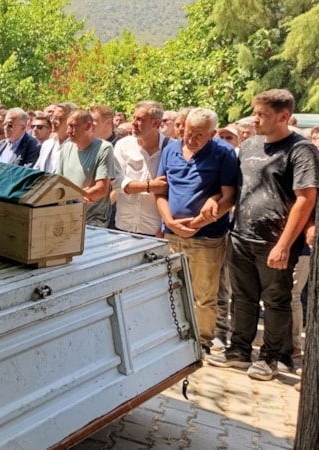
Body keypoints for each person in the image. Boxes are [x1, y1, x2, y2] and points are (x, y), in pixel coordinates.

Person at [206, 89, 319, 381]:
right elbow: (236, 188)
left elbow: (306, 199)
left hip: (274, 241)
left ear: (284, 116)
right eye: (255, 113)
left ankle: (270, 359)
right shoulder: (249, 145)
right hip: (241, 235)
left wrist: (284, 244)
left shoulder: (301, 150)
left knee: (276, 301)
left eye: (262, 115)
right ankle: (239, 352)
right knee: (242, 297)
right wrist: (215, 203)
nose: (255, 120)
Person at [155, 107, 238, 356]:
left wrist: (199, 223)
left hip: (207, 238)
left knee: (204, 295)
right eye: (189, 132)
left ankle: (201, 342)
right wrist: (170, 221)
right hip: (172, 234)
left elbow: (229, 197)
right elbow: (161, 191)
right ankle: (172, 335)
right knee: (171, 288)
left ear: (212, 134)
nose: (191, 138)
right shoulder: (170, 149)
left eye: (199, 135)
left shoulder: (223, 152)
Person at [113, 101, 169, 236]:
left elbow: (174, 190)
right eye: (134, 118)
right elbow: (117, 182)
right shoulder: (123, 145)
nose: (133, 123)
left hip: (155, 230)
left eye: (140, 119)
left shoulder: (171, 149)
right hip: (124, 226)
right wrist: (149, 186)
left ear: (156, 123)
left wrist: (166, 226)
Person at [55, 109, 114, 226]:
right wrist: (77, 197)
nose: (68, 131)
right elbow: (58, 182)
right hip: (67, 216)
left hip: (93, 221)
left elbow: (101, 189)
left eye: (73, 126)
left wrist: (73, 197)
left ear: (88, 126)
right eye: (68, 126)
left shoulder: (104, 148)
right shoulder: (66, 148)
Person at [33, 103, 72, 172]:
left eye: (58, 118)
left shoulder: (75, 146)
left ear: (70, 121)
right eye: (52, 117)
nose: (53, 121)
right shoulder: (47, 144)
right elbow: (37, 169)